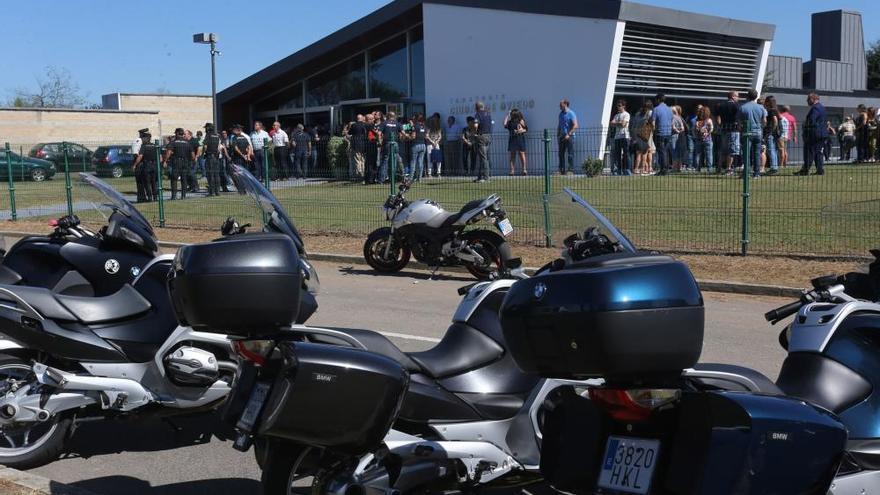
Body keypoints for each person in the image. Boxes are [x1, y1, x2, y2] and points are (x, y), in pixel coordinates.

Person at [737, 89, 767, 179]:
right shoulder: (761, 107)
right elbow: (764, 121)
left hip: (747, 132)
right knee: (757, 153)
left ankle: (746, 173)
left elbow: (738, 122)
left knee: (746, 153)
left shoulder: (743, 107)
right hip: (758, 132)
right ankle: (756, 173)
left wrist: (740, 129)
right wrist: (761, 127)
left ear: (748, 96)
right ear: (756, 96)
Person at [796, 93, 828, 176]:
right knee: (818, 152)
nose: (807, 101)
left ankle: (805, 170)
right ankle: (820, 170)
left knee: (809, 152)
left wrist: (805, 130)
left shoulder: (815, 108)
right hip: (822, 134)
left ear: (813, 99)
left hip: (813, 134)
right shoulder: (822, 108)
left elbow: (811, 121)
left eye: (808, 99)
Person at [163, 128, 194, 200]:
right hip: (185, 162)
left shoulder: (173, 142)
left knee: (174, 179)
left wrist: (165, 161)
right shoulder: (188, 143)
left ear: (177, 133)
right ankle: (183, 196)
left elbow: (169, 152)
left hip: (176, 162)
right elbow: (193, 155)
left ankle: (174, 196)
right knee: (184, 179)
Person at [716, 90, 741, 175]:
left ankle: (719, 168)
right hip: (733, 130)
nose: (738, 98)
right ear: (733, 96)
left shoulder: (721, 105)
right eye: (737, 96)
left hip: (723, 129)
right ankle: (728, 169)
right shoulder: (736, 105)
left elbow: (717, 117)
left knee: (723, 149)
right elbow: (739, 117)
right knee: (732, 150)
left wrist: (720, 125)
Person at [131, 131, 158, 202]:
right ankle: (155, 197)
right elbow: (160, 158)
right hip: (155, 166)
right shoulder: (155, 145)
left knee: (147, 183)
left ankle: (149, 198)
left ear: (146, 138)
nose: (142, 139)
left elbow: (140, 156)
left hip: (146, 166)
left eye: (143, 138)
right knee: (154, 183)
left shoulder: (144, 146)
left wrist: (134, 165)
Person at [651, 93, 673, 175]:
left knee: (661, 152)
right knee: (665, 151)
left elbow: (653, 123)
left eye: (656, 100)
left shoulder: (656, 109)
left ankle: (663, 169)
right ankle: (666, 168)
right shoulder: (669, 109)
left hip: (660, 133)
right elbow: (671, 120)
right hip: (668, 132)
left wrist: (653, 131)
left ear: (658, 100)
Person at [202, 123, 225, 197]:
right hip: (217, 157)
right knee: (216, 174)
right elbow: (221, 146)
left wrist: (203, 153)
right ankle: (217, 191)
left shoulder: (208, 135)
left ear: (208, 128)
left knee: (210, 174)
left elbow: (205, 146)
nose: (205, 129)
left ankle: (211, 192)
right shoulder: (218, 135)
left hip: (210, 156)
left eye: (206, 128)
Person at [377, 112, 401, 183]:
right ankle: (392, 179)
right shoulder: (397, 123)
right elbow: (402, 133)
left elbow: (379, 133)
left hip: (387, 143)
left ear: (388, 116)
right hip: (395, 143)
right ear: (394, 116)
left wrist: (379, 141)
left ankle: (382, 179)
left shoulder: (384, 123)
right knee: (394, 161)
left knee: (385, 160)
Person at [473, 102, 494, 182]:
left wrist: (475, 133)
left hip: (481, 136)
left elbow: (475, 125)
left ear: (476, 107)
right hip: (488, 136)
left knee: (483, 158)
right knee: (485, 157)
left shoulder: (478, 114)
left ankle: (486, 178)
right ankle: (480, 177)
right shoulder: (488, 114)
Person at [557, 99, 578, 174]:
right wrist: (558, 135)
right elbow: (559, 125)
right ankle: (561, 170)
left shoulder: (571, 113)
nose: (559, 106)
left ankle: (570, 170)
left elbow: (576, 125)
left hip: (570, 137)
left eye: (561, 104)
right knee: (560, 154)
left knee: (570, 154)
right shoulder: (560, 114)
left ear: (565, 104)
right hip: (562, 136)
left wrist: (569, 134)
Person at [504, 108, 528, 175]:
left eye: (511, 114)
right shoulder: (510, 122)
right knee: (512, 155)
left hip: (520, 138)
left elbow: (526, 129)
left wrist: (520, 131)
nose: (511, 115)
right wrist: (507, 115)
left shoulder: (521, 120)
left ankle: (524, 169)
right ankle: (512, 170)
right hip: (512, 139)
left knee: (521, 153)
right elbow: (505, 124)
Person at [609, 99, 630, 176]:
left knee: (626, 154)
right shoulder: (616, 115)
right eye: (617, 106)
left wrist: (616, 123)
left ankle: (626, 169)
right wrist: (619, 123)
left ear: (623, 106)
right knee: (617, 154)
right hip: (617, 137)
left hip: (625, 136)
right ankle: (619, 170)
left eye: (619, 106)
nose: (618, 107)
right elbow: (611, 123)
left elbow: (623, 124)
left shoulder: (626, 114)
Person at [763, 96, 780, 175]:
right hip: (774, 133)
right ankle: (775, 166)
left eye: (766, 101)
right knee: (774, 150)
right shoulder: (776, 110)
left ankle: (773, 167)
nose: (764, 103)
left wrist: (771, 131)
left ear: (768, 102)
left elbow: (775, 121)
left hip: (770, 132)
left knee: (771, 150)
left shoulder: (771, 111)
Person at [695, 106, 715, 173]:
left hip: (699, 139)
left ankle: (697, 168)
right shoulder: (709, 120)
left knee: (698, 154)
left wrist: (700, 131)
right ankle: (709, 169)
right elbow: (711, 129)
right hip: (708, 139)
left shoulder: (697, 121)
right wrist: (708, 133)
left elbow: (696, 129)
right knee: (709, 155)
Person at [131, 128, 149, 201]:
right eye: (146, 135)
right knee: (140, 182)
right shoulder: (138, 141)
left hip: (144, 163)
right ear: (142, 134)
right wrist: (136, 163)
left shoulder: (144, 142)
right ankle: (141, 198)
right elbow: (136, 154)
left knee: (145, 181)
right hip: (139, 163)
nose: (147, 137)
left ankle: (145, 197)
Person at [408, 113, 427, 180]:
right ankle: (420, 177)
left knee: (413, 161)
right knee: (420, 162)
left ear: (416, 119)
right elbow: (426, 136)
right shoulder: (424, 126)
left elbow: (413, 136)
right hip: (423, 145)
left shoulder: (415, 126)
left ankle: (411, 177)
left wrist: (408, 137)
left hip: (416, 145)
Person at [348, 115, 367, 180]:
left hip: (356, 145)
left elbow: (349, 133)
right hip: (364, 144)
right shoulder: (365, 125)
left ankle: (359, 174)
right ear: (362, 118)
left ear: (357, 119)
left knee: (357, 160)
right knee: (363, 160)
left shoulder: (354, 125)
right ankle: (364, 173)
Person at [426, 113, 443, 178]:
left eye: (436, 118)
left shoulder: (438, 127)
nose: (435, 119)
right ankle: (430, 173)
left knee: (438, 159)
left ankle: (438, 173)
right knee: (429, 158)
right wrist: (432, 142)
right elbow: (427, 136)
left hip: (436, 143)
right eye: (434, 118)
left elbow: (440, 136)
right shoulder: (429, 126)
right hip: (430, 144)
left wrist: (437, 141)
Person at [671, 106, 686, 172]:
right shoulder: (679, 118)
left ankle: (674, 167)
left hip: (672, 136)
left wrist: (676, 131)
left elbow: (672, 126)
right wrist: (679, 132)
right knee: (678, 151)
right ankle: (679, 167)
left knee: (673, 152)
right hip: (679, 136)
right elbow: (683, 128)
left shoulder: (672, 117)